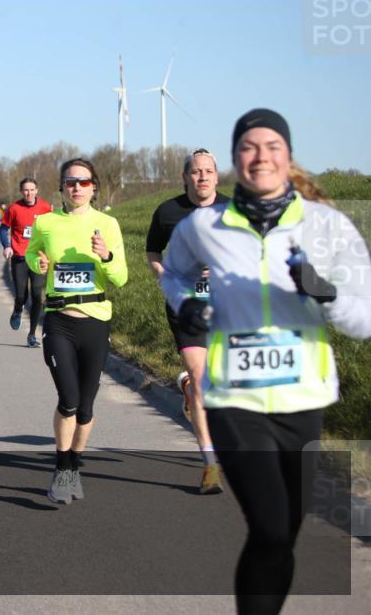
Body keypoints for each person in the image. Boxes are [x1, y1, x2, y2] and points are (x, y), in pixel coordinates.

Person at [161, 109, 371, 613]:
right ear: (236, 159)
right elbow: (174, 274)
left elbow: (364, 318)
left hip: (304, 398)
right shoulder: (203, 226)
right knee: (270, 526)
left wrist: (323, 292)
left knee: (285, 534)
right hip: (234, 398)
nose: (261, 156)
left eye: (272, 146)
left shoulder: (327, 225)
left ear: (288, 156)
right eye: (249, 147)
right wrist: (186, 305)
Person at [25, 159, 128, 504]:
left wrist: (107, 255)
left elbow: (121, 278)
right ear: (62, 187)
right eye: (71, 182)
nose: (77, 188)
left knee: (85, 407)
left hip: (95, 320)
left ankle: (75, 462)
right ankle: (62, 468)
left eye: (84, 182)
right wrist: (38, 263)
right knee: (68, 399)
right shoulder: (46, 222)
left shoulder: (107, 224)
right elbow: (31, 254)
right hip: (59, 320)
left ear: (93, 186)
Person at [146, 148, 230, 494]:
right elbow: (153, 251)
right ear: (185, 177)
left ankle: (190, 394)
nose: (203, 176)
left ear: (217, 176)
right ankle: (211, 465)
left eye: (208, 171)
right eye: (196, 171)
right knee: (200, 378)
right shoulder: (168, 211)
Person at [1, 177, 53, 347]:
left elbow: (52, 229)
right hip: (20, 258)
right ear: (21, 191)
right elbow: (3, 228)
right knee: (21, 295)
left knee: (37, 295)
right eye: (25, 190)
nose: (29, 193)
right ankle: (18, 309)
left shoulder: (46, 208)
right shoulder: (14, 209)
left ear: (36, 190)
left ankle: (31, 335)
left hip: (38, 258)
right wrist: (6, 246)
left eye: (32, 190)